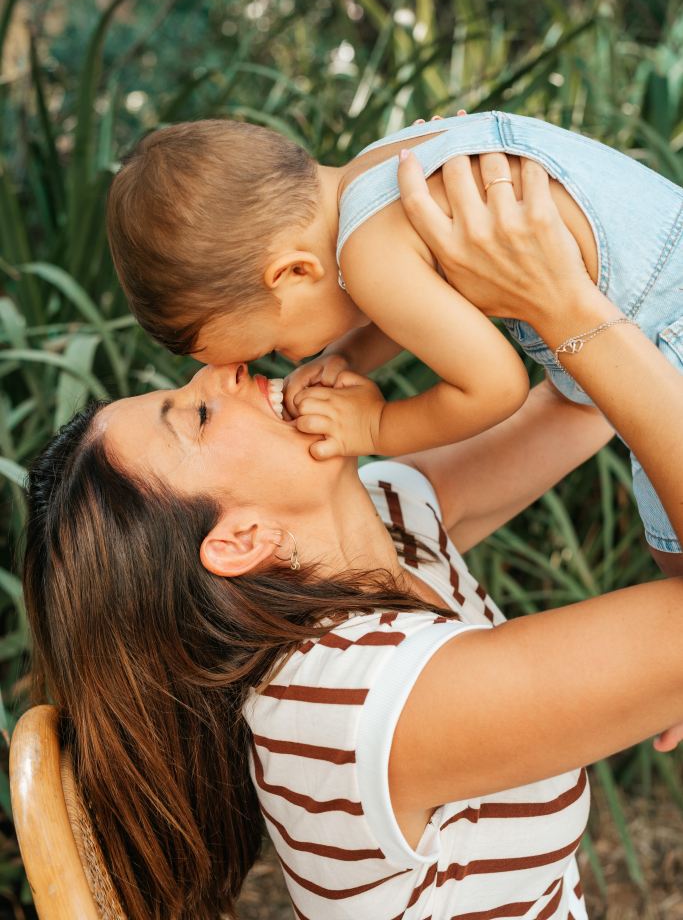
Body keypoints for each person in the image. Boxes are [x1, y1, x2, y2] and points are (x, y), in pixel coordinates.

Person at [25, 154, 683, 920]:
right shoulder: (361, 709)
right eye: (197, 415)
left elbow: (582, 401)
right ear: (240, 541)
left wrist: (516, 264)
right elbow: (596, 361)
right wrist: (565, 310)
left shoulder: (384, 527)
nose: (225, 371)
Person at [106, 112, 683, 574]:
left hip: (666, 334)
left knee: (674, 563)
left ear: (293, 273)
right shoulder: (381, 169)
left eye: (276, 343)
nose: (290, 359)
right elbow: (409, 294)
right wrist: (348, 356)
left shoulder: (367, 257)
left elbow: (496, 386)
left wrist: (376, 427)